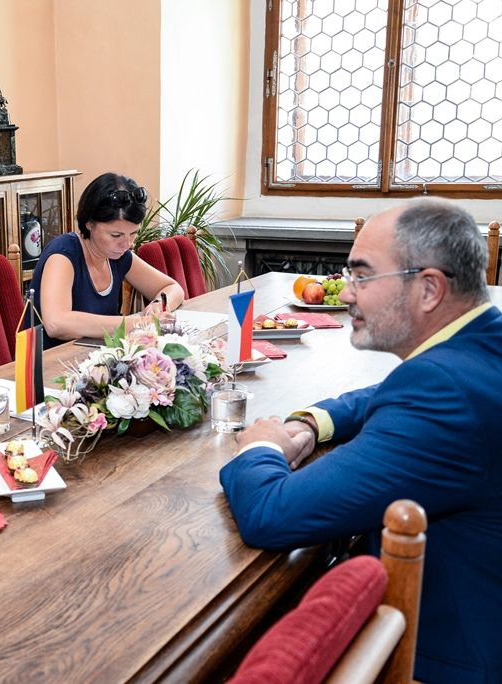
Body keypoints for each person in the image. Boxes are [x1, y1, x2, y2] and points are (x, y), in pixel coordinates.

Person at [219, 199, 502, 682]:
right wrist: (313, 422)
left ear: (429, 288)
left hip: (436, 657)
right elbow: (388, 392)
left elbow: (272, 513)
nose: (346, 294)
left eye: (362, 277)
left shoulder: (443, 395)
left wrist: (261, 446)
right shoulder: (478, 346)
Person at [27, 172, 185, 348]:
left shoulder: (118, 255)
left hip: (91, 360)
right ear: (89, 223)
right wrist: (139, 323)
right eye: (116, 235)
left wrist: (158, 305)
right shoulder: (63, 254)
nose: (127, 243)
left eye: (133, 233)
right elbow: (56, 323)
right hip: (45, 366)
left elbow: (173, 288)